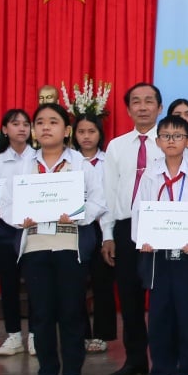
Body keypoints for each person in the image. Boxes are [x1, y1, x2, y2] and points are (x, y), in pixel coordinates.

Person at [5, 103, 106, 375]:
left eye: (53, 122)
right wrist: (18, 217)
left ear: (66, 130)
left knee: (71, 312)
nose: (46, 127)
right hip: (35, 245)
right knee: (42, 314)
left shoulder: (80, 164)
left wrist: (77, 214)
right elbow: (8, 202)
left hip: (68, 245)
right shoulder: (24, 165)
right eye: (40, 122)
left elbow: (99, 202)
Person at [134, 113, 188, 375]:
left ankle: (185, 371)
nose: (171, 141)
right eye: (166, 136)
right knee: (159, 317)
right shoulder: (149, 176)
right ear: (157, 141)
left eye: (178, 136)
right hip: (157, 257)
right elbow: (139, 212)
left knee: (187, 316)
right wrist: (142, 238)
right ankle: (159, 372)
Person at [101, 82, 164, 375]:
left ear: (159, 108)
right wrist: (108, 234)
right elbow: (108, 193)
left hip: (161, 224)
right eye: (136, 102)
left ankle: (164, 359)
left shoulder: (169, 142)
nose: (142, 107)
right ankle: (135, 359)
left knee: (162, 296)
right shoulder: (116, 146)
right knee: (129, 297)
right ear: (127, 109)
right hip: (126, 227)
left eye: (149, 101)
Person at [0, 108, 34, 356]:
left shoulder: (38, 158)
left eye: (26, 124)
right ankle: (13, 335)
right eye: (15, 124)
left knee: (36, 284)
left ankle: (35, 335)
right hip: (5, 230)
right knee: (8, 284)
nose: (21, 128)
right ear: (5, 129)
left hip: (33, 228)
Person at [73, 113, 116, 354]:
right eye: (81, 131)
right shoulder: (68, 160)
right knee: (76, 283)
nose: (86, 137)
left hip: (103, 226)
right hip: (76, 226)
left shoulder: (108, 161)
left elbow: (109, 198)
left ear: (100, 133)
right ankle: (81, 333)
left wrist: (108, 234)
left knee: (103, 283)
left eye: (91, 131)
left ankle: (102, 333)